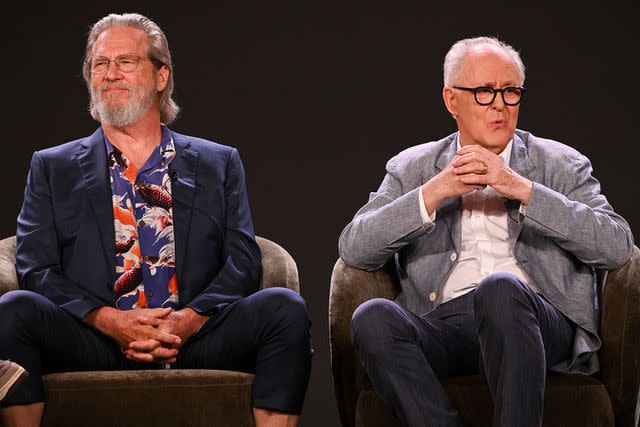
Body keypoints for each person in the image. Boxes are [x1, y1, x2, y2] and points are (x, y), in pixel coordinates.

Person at [0, 13, 312, 427]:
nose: (110, 74)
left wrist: (188, 321)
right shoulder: (52, 167)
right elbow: (36, 267)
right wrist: (111, 322)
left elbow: (242, 258)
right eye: (100, 64)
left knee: (285, 308)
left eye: (125, 62)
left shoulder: (219, 162)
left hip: (194, 336)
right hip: (94, 338)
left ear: (161, 76)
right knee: (14, 309)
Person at [339, 36, 633, 427]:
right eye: (484, 92)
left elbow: (616, 245)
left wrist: (522, 190)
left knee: (500, 289)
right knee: (372, 317)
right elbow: (355, 246)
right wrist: (434, 192)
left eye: (510, 92)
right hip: (447, 322)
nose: (499, 104)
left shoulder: (561, 163)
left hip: (536, 319)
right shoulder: (413, 168)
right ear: (451, 100)